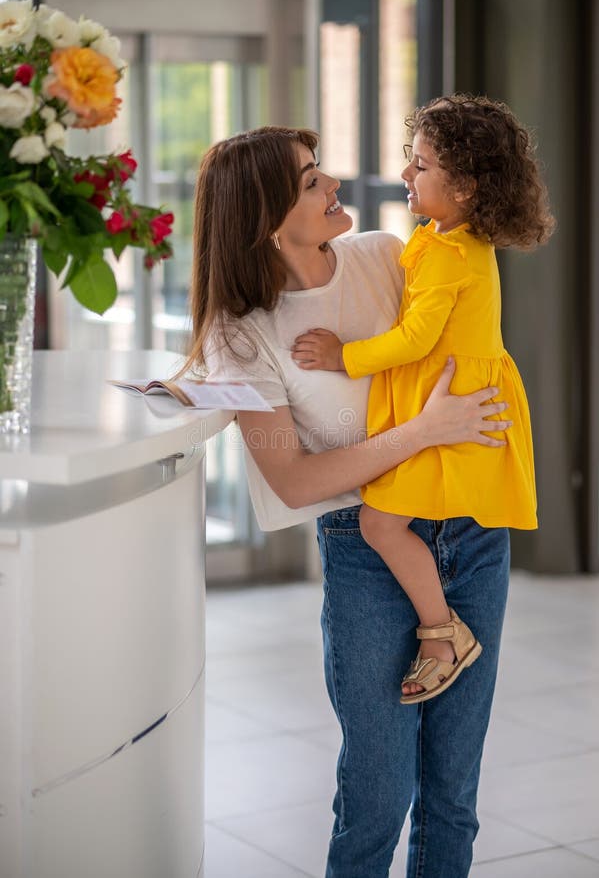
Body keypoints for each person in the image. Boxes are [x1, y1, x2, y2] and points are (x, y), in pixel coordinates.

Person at [183, 125, 515, 878]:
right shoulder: (242, 334)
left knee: (452, 790)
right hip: (366, 547)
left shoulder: (386, 256)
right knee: (377, 790)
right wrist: (425, 429)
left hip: (468, 527)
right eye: (310, 182)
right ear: (264, 216)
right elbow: (295, 479)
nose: (334, 186)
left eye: (321, 171)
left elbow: (457, 335)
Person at [290, 94, 555, 705]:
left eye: (420, 165)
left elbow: (415, 340)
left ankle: (443, 634)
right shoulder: (451, 240)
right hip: (453, 395)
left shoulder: (447, 255)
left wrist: (342, 357)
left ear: (462, 186)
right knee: (386, 520)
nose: (406, 174)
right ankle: (442, 630)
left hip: (453, 404)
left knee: (380, 522)